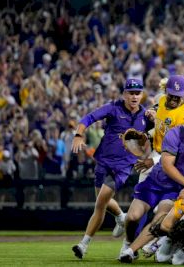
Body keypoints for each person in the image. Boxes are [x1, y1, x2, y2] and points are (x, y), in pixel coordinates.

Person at [119, 107, 184, 261]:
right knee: (132, 217)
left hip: (176, 189)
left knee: (161, 218)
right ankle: (128, 241)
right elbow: (168, 166)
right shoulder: (175, 134)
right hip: (156, 181)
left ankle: (130, 251)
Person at [72, 78, 149, 259]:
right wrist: (78, 134)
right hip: (103, 161)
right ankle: (121, 217)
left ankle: (83, 244)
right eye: (131, 92)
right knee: (102, 201)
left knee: (100, 203)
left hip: (122, 167)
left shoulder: (146, 116)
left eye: (138, 93)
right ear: (124, 94)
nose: (134, 96)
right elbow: (88, 118)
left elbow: (159, 133)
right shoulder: (113, 108)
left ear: (142, 95)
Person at [138, 75, 184, 178]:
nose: (174, 99)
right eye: (171, 95)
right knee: (140, 189)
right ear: (165, 90)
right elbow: (160, 126)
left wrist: (154, 161)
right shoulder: (162, 101)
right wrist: (147, 135)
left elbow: (179, 149)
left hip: (172, 160)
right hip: (156, 152)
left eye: (178, 96)